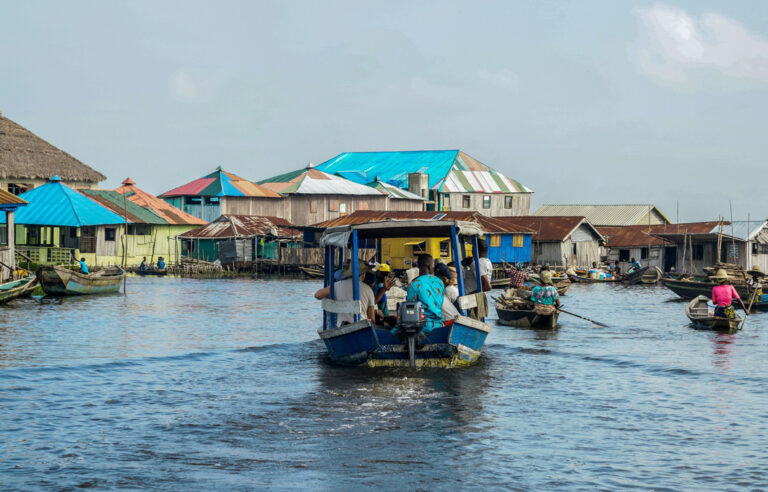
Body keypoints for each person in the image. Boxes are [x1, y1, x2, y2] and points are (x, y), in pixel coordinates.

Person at [314, 260, 376, 325]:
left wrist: (332, 296)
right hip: (361, 326)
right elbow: (372, 319)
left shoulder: (337, 285)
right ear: (363, 274)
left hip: (341, 326)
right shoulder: (368, 290)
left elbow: (317, 295)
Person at [406, 254, 445, 338]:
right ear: (429, 265)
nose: (434, 267)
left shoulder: (414, 284)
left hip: (421, 330)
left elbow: (410, 310)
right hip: (439, 326)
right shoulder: (440, 282)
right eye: (433, 265)